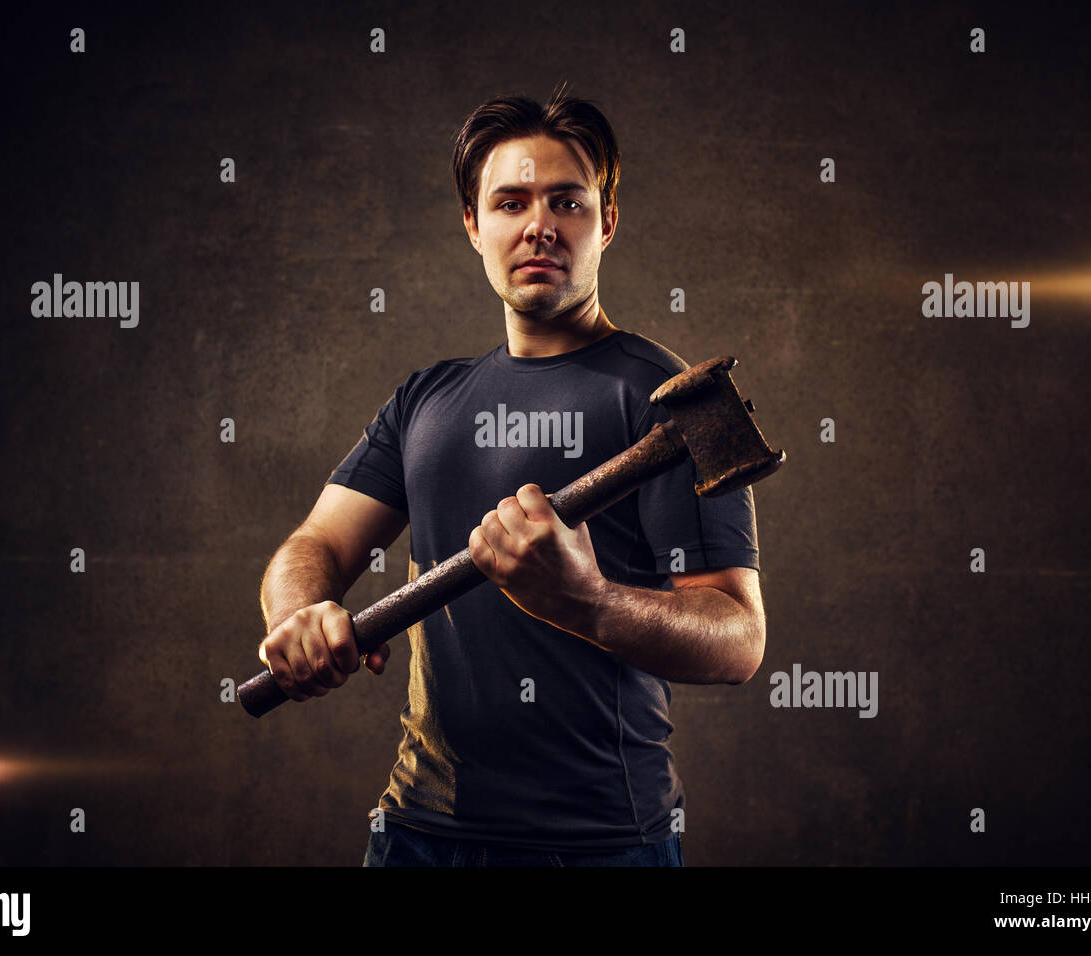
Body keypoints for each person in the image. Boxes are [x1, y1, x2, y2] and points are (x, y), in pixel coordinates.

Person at [258, 86, 766, 867]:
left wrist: (587, 603)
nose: (539, 225)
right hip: (416, 835)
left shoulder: (664, 400)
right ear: (473, 224)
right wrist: (300, 613)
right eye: (510, 202)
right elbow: (317, 542)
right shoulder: (425, 399)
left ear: (608, 221)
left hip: (601, 843)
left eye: (567, 201)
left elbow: (737, 637)